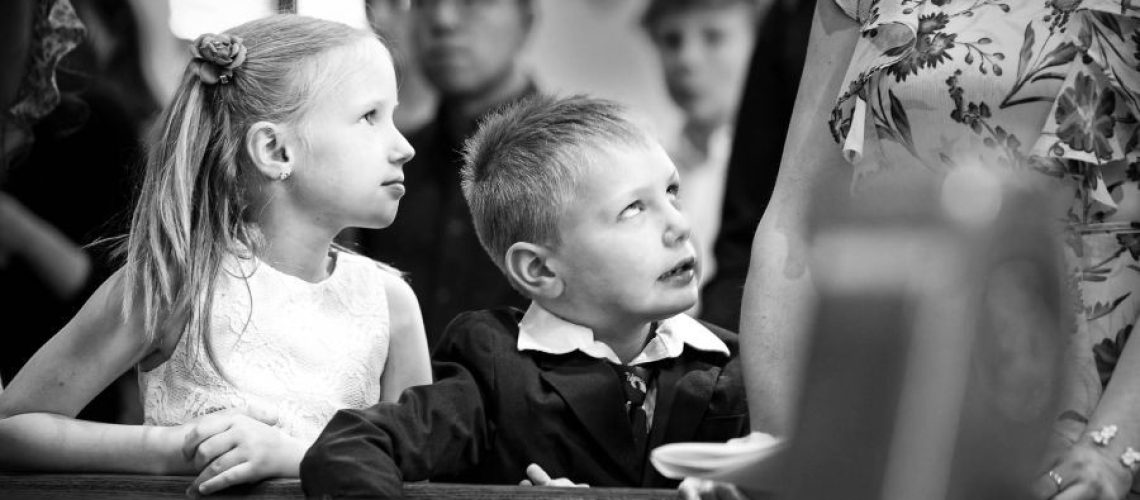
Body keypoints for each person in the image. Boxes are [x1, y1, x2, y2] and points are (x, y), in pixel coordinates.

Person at [0, 14, 431, 496]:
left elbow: (417, 469)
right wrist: (177, 448)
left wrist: (297, 457)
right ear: (275, 149)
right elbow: (14, 427)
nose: (405, 147)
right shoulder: (175, 283)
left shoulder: (391, 306)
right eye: (370, 116)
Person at [738, 0, 1139, 498]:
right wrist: (786, 449)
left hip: (1088, 431)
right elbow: (796, 219)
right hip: (880, 415)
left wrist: (1113, 450)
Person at [300, 95, 749, 498]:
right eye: (633, 209)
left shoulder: (737, 367)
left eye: (672, 192)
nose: (680, 225)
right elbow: (351, 448)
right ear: (540, 269)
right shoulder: (492, 365)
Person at [356, 0, 538, 344]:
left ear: (526, 20)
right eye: (422, 3)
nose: (443, 20)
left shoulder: (584, 163)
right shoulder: (385, 166)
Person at [641, 0, 765, 317]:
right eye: (671, 40)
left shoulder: (783, 167)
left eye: (713, 37)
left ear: (762, 41)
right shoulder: (642, 164)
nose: (687, 59)